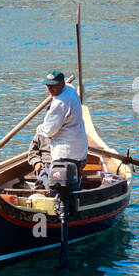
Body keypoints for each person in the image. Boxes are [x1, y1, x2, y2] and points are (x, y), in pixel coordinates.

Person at [26, 69, 89, 214]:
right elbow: (33, 151)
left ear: (62, 83)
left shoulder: (59, 104)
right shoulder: (70, 89)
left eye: (53, 85)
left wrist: (39, 128)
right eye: (47, 85)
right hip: (77, 148)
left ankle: (59, 202)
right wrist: (37, 163)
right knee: (56, 176)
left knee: (60, 179)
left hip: (65, 152)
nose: (49, 89)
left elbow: (48, 131)